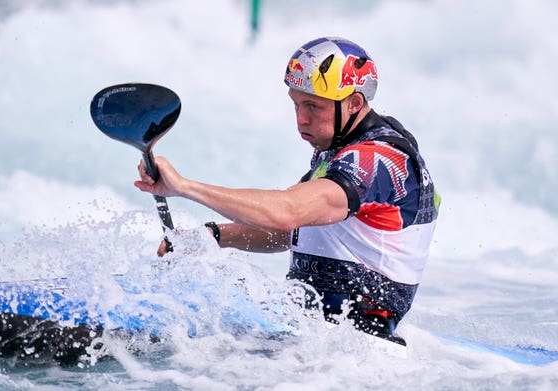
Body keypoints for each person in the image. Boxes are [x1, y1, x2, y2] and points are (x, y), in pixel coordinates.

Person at [135, 37, 440, 345]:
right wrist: (212, 236)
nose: (300, 120)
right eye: (296, 104)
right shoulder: (341, 146)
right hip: (311, 333)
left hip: (351, 348)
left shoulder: (376, 159)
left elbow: (287, 213)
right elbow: (296, 231)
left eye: (313, 106)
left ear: (354, 103)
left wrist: (185, 187)